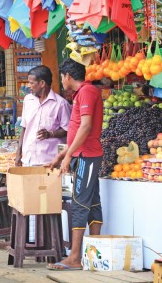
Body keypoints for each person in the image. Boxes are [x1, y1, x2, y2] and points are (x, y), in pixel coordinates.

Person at [47, 58, 104, 271]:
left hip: (87, 155)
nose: (61, 81)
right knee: (92, 202)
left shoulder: (87, 92)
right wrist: (61, 157)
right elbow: (79, 128)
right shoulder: (84, 93)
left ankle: (74, 257)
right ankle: (94, 252)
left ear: (68, 76)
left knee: (79, 203)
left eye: (62, 76)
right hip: (84, 154)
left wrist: (69, 156)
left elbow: (86, 126)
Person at [15, 65, 71, 167]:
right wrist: (19, 152)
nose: (28, 86)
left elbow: (68, 130)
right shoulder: (28, 100)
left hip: (49, 162)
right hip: (28, 160)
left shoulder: (61, 104)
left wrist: (50, 134)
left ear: (42, 83)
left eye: (31, 83)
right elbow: (24, 127)